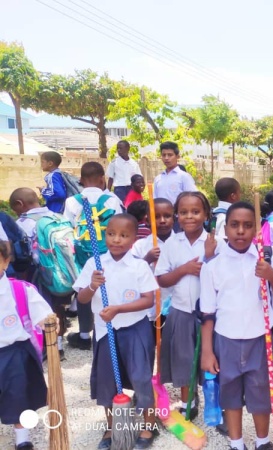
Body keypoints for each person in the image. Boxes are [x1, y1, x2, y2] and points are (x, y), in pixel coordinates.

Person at [200, 201, 273, 450]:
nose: (241, 231)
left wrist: (271, 275)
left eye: (247, 225)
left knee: (261, 391)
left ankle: (262, 441)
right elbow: (207, 313)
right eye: (235, 225)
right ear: (225, 228)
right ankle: (236, 443)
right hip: (225, 339)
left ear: (256, 228)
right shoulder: (213, 266)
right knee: (230, 391)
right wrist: (207, 351)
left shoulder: (267, 257)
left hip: (261, 338)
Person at [72, 214, 159, 450]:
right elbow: (82, 298)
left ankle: (149, 424)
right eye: (111, 234)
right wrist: (92, 285)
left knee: (141, 378)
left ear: (134, 239)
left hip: (135, 329)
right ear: (104, 234)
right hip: (105, 330)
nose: (116, 239)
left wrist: (119, 309)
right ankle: (112, 427)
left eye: (123, 235)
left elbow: (148, 300)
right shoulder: (95, 263)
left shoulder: (139, 266)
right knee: (107, 380)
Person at [154, 191, 221, 420]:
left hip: (210, 314)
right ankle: (188, 402)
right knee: (184, 359)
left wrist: (209, 258)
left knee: (213, 358)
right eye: (183, 212)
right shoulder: (172, 243)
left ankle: (217, 402)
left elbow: (222, 278)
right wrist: (184, 270)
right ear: (177, 216)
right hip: (181, 310)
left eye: (195, 211)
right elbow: (161, 279)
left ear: (206, 215)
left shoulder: (215, 243)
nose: (189, 216)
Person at [63, 162, 124, 351]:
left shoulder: (72, 202)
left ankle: (83, 335)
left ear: (81, 180)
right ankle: (112, 328)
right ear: (102, 179)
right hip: (108, 252)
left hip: (83, 255)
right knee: (110, 288)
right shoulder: (112, 199)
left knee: (84, 290)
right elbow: (121, 225)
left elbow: (67, 229)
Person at [0, 239, 53, 450]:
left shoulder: (20, 290)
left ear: (6, 261)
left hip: (15, 352)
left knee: (19, 395)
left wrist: (49, 321)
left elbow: (43, 314)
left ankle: (22, 438)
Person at [9, 187, 70, 360]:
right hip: (62, 272)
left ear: (20, 204)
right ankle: (58, 346)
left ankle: (44, 346)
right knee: (58, 307)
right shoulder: (57, 217)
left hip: (37, 274)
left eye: (15, 209)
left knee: (40, 308)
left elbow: (20, 254)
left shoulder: (23, 223)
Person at [132, 198, 175, 325]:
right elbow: (131, 273)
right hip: (149, 309)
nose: (162, 221)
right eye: (156, 217)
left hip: (174, 306)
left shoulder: (181, 243)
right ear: (147, 220)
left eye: (167, 216)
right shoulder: (141, 245)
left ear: (174, 218)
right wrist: (147, 259)